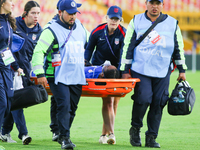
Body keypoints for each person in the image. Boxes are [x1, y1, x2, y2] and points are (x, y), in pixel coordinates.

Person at [119, 0, 187, 148]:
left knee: (159, 102)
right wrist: (125, 70)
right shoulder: (136, 20)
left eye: (158, 3)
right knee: (143, 99)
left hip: (163, 69)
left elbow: (178, 47)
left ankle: (151, 137)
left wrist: (182, 69)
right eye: (152, 3)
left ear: (162, 5)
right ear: (146, 3)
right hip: (141, 68)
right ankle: (135, 128)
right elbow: (128, 46)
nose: (154, 6)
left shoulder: (173, 23)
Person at [31, 0, 88, 149]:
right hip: (57, 75)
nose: (73, 16)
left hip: (76, 75)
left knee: (72, 108)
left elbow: (88, 44)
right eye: (70, 13)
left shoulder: (81, 27)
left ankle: (59, 131)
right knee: (64, 105)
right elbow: (38, 51)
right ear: (60, 12)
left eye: (75, 13)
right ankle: (65, 138)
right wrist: (40, 73)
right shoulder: (51, 30)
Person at [0, 1, 42, 145]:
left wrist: (20, 68)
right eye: (33, 13)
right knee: (9, 101)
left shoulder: (38, 31)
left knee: (12, 102)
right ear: (25, 13)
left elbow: (7, 49)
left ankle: (4, 132)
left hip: (20, 70)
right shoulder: (13, 23)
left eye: (38, 13)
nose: (36, 16)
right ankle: (23, 133)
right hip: (7, 69)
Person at [84, 5, 126, 144]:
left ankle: (104, 135)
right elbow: (89, 49)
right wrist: (85, 62)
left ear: (120, 20)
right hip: (99, 70)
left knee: (113, 103)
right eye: (111, 18)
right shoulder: (97, 31)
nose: (114, 21)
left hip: (115, 71)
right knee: (108, 101)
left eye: (117, 19)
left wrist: (120, 72)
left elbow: (122, 55)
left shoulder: (124, 34)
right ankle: (110, 134)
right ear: (106, 18)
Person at [0, 0, 22, 143]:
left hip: (6, 68)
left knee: (8, 103)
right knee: (2, 102)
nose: (13, 3)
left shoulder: (7, 22)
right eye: (10, 1)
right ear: (2, 3)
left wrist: (15, 66)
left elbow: (5, 48)